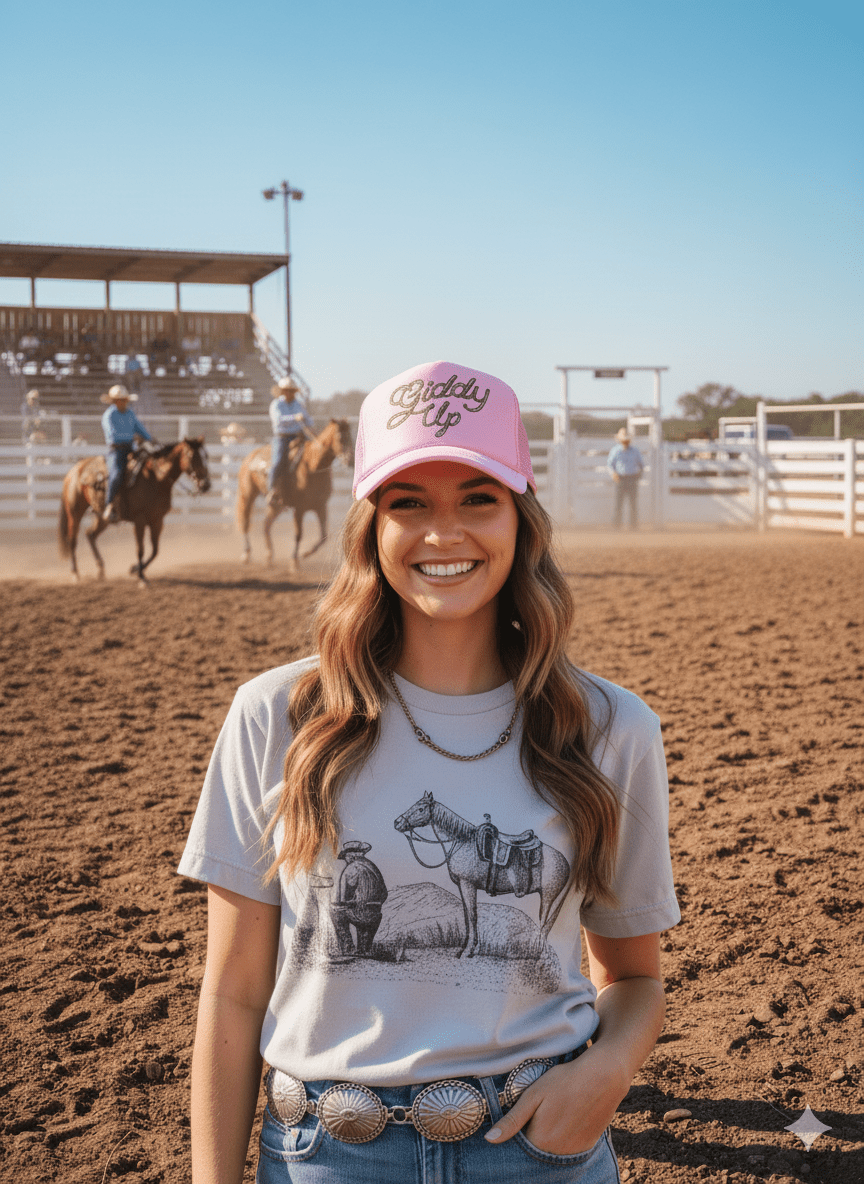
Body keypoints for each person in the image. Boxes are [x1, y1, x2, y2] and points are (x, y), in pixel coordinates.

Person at [179, 359, 680, 1184]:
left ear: (520, 519)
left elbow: (631, 978)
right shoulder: (276, 716)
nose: (443, 534)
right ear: (371, 528)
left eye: (476, 499)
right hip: (325, 1156)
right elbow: (233, 990)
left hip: (538, 1150)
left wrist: (604, 1074)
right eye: (409, 503)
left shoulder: (610, 726)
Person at [99, 384, 153, 522]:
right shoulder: (109, 415)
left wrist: (150, 439)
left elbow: (139, 428)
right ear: (115, 401)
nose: (124, 402)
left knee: (146, 469)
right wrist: (133, 437)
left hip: (130, 449)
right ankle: (109, 505)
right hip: (116, 451)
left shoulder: (130, 414)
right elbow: (113, 434)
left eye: (125, 400)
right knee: (116, 475)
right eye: (121, 400)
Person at [266, 376, 314, 506]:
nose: (290, 393)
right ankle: (271, 489)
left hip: (298, 436)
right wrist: (295, 417)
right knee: (278, 461)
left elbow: (308, 419)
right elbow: (278, 420)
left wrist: (310, 423)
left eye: (292, 391)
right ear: (282, 391)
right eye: (288, 390)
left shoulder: (298, 404)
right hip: (282, 437)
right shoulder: (276, 404)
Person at [606, 426, 644, 529]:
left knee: (633, 504)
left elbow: (641, 465)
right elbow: (610, 465)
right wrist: (613, 474)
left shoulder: (635, 451)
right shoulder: (615, 450)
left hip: (632, 478)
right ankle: (617, 526)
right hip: (620, 478)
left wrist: (639, 474)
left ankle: (633, 526)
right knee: (619, 504)